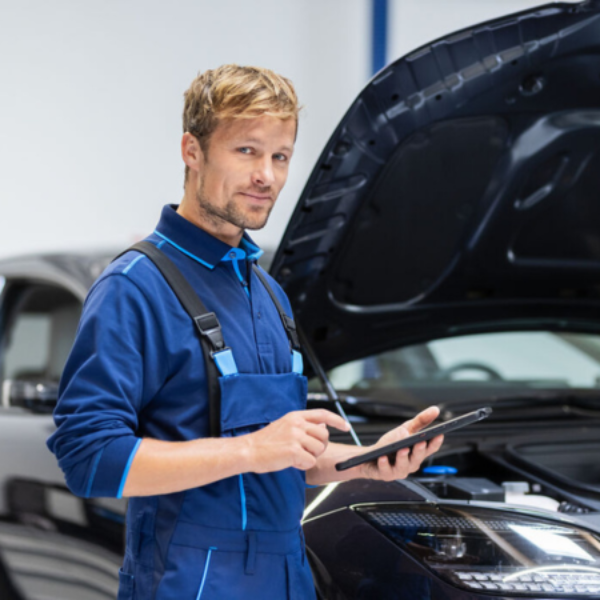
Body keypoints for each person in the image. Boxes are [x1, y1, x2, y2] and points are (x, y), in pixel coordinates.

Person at [47, 64, 443, 600]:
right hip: (187, 582)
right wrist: (253, 451)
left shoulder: (268, 294)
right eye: (247, 151)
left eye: (280, 156)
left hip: (287, 577)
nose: (268, 176)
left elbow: (282, 456)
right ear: (192, 150)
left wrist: (364, 462)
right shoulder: (134, 288)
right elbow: (88, 458)